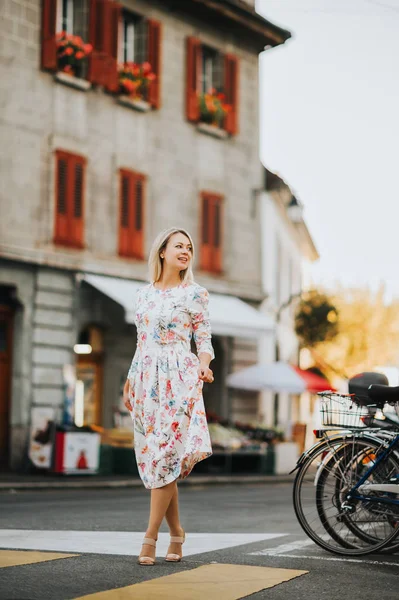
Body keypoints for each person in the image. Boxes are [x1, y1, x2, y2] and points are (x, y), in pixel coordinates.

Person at [123, 227, 214, 566]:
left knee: (165, 456)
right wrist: (130, 381)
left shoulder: (196, 294)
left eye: (189, 247)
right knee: (159, 459)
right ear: (162, 251)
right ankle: (178, 532)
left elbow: (204, 340)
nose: (186, 251)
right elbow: (140, 342)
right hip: (147, 379)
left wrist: (204, 366)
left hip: (180, 378)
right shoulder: (143, 295)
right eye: (179, 246)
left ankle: (150, 538)